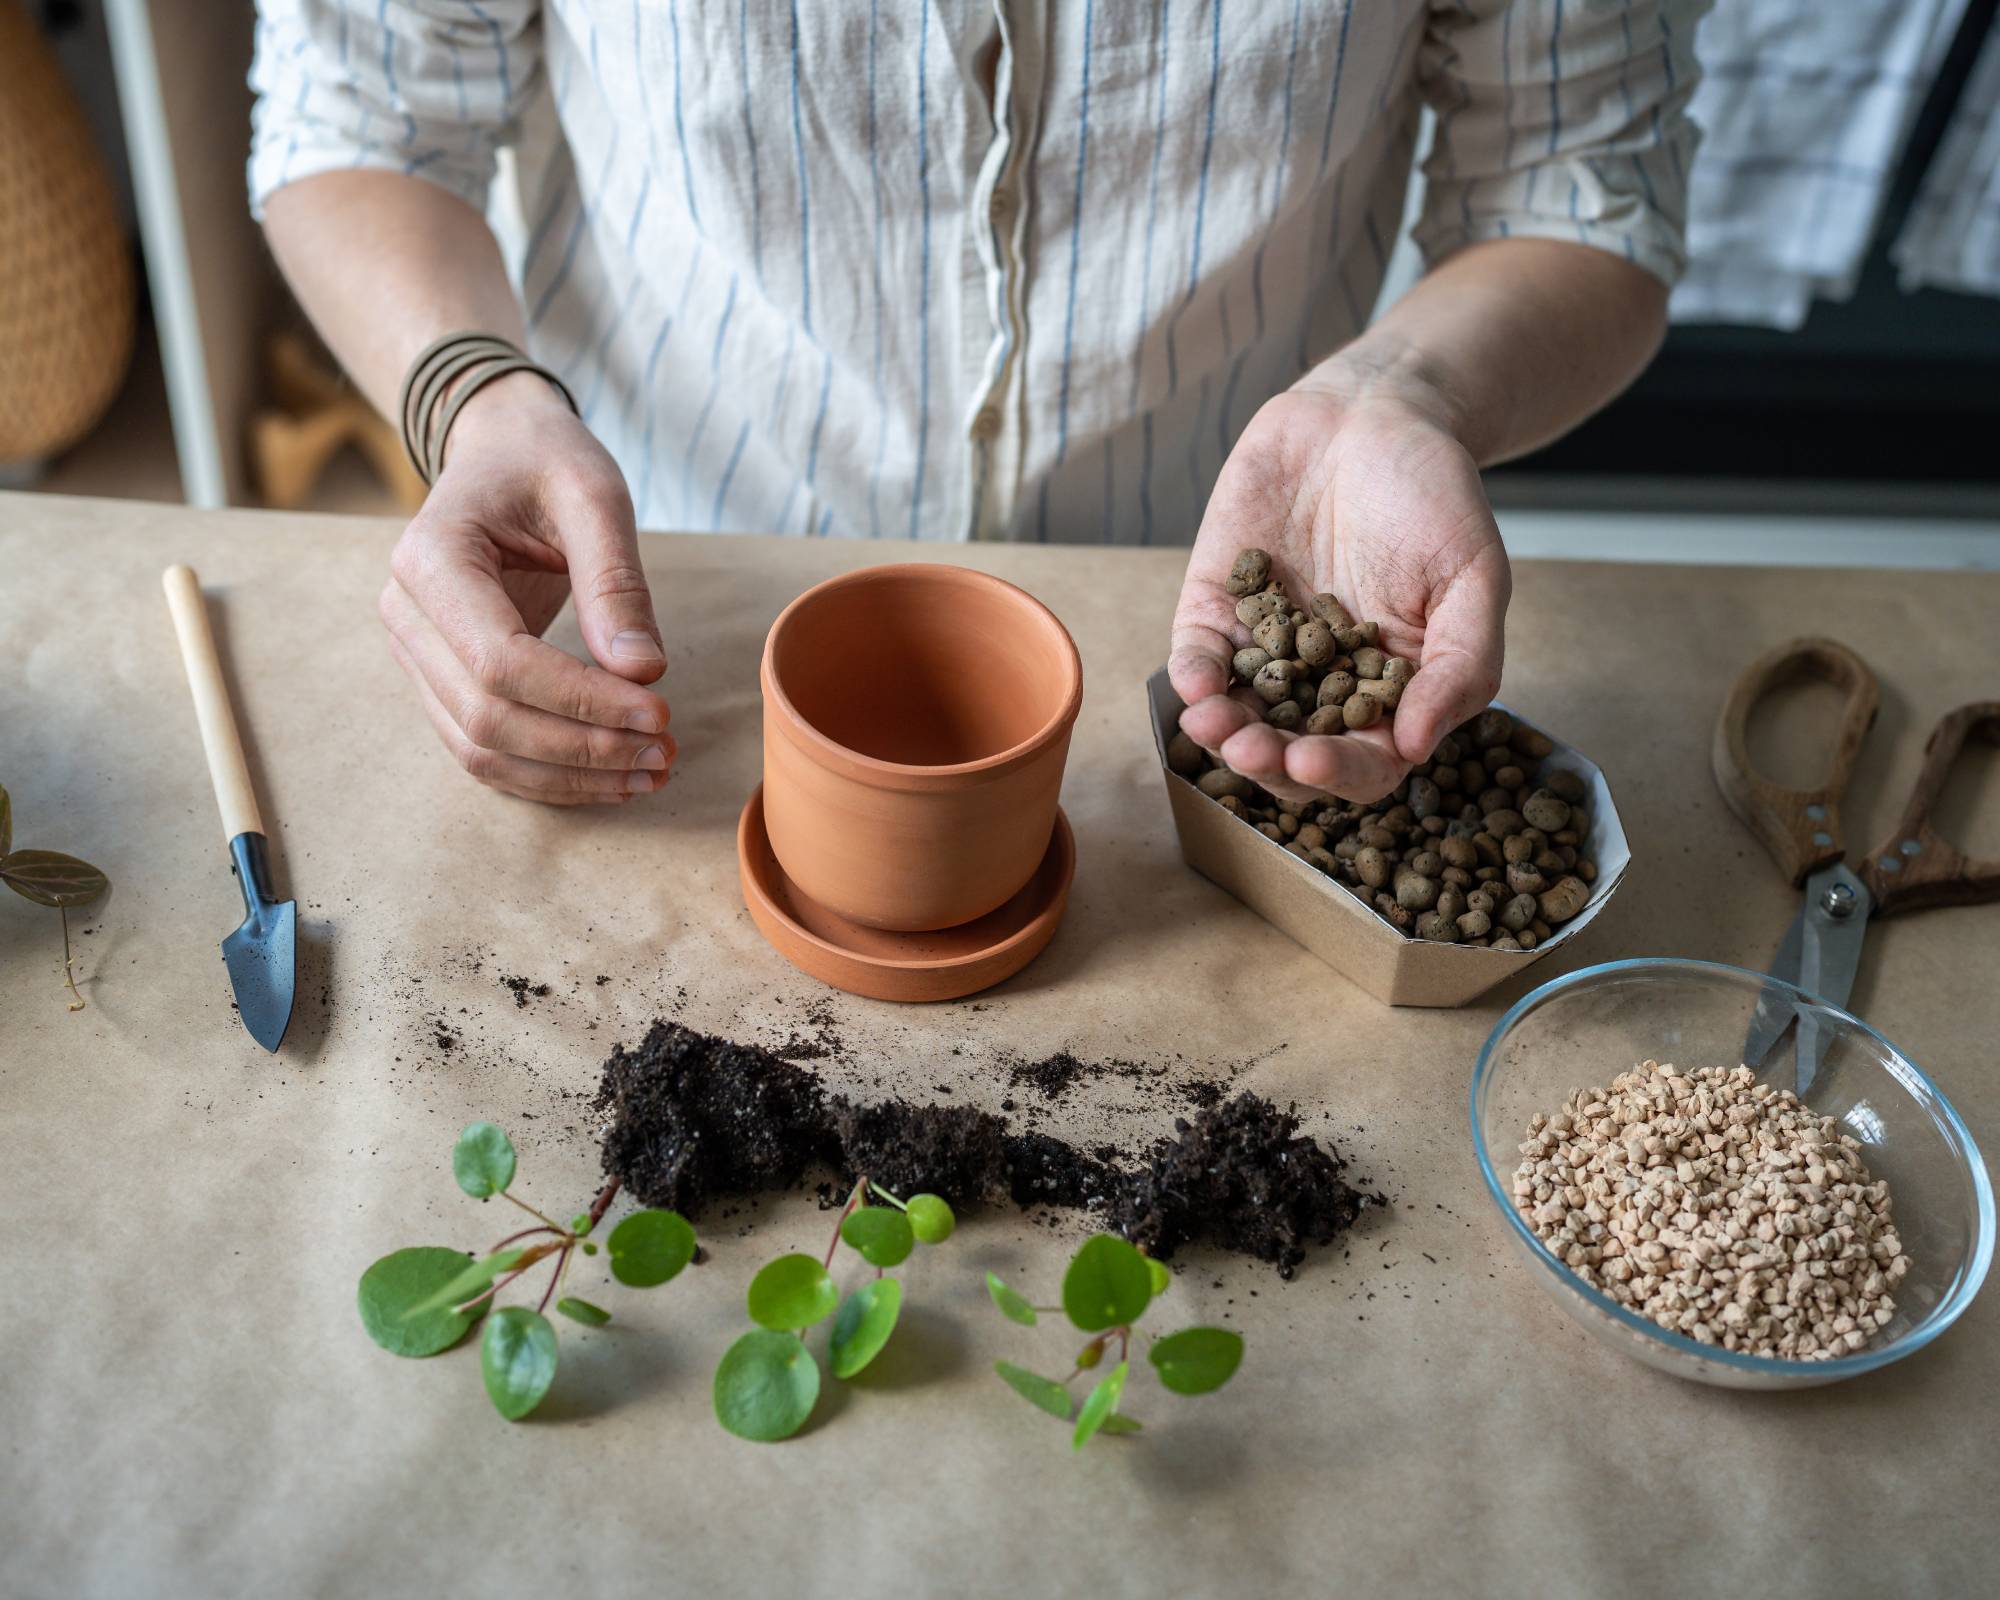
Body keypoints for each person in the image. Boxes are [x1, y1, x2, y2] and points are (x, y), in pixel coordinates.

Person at [249, 1, 1703, 808]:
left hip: (1212, 644)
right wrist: (473, 395)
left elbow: (1578, 188)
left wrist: (1408, 394)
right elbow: (363, 118)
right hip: (660, 625)